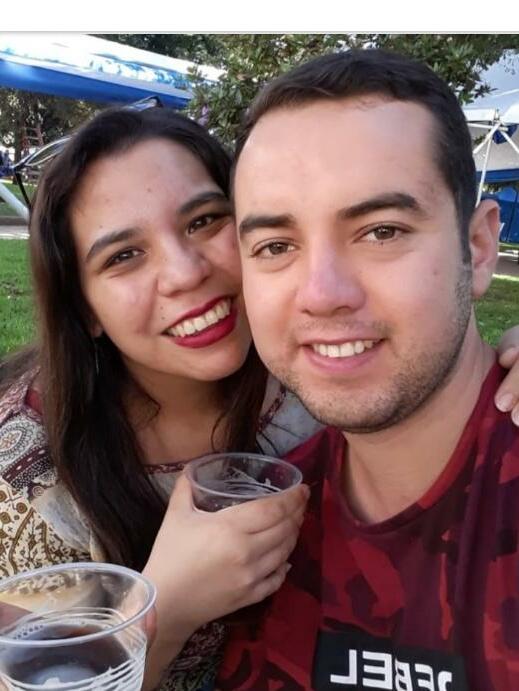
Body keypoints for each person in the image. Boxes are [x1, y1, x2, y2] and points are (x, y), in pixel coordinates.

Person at [217, 49, 519, 690]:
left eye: (382, 232)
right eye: (276, 246)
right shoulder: (263, 528)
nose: (322, 294)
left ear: (478, 247)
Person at [0, 107, 315, 691]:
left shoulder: (318, 363)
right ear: (85, 310)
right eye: (123, 256)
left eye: (204, 220)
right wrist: (164, 609)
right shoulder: (25, 485)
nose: (185, 272)